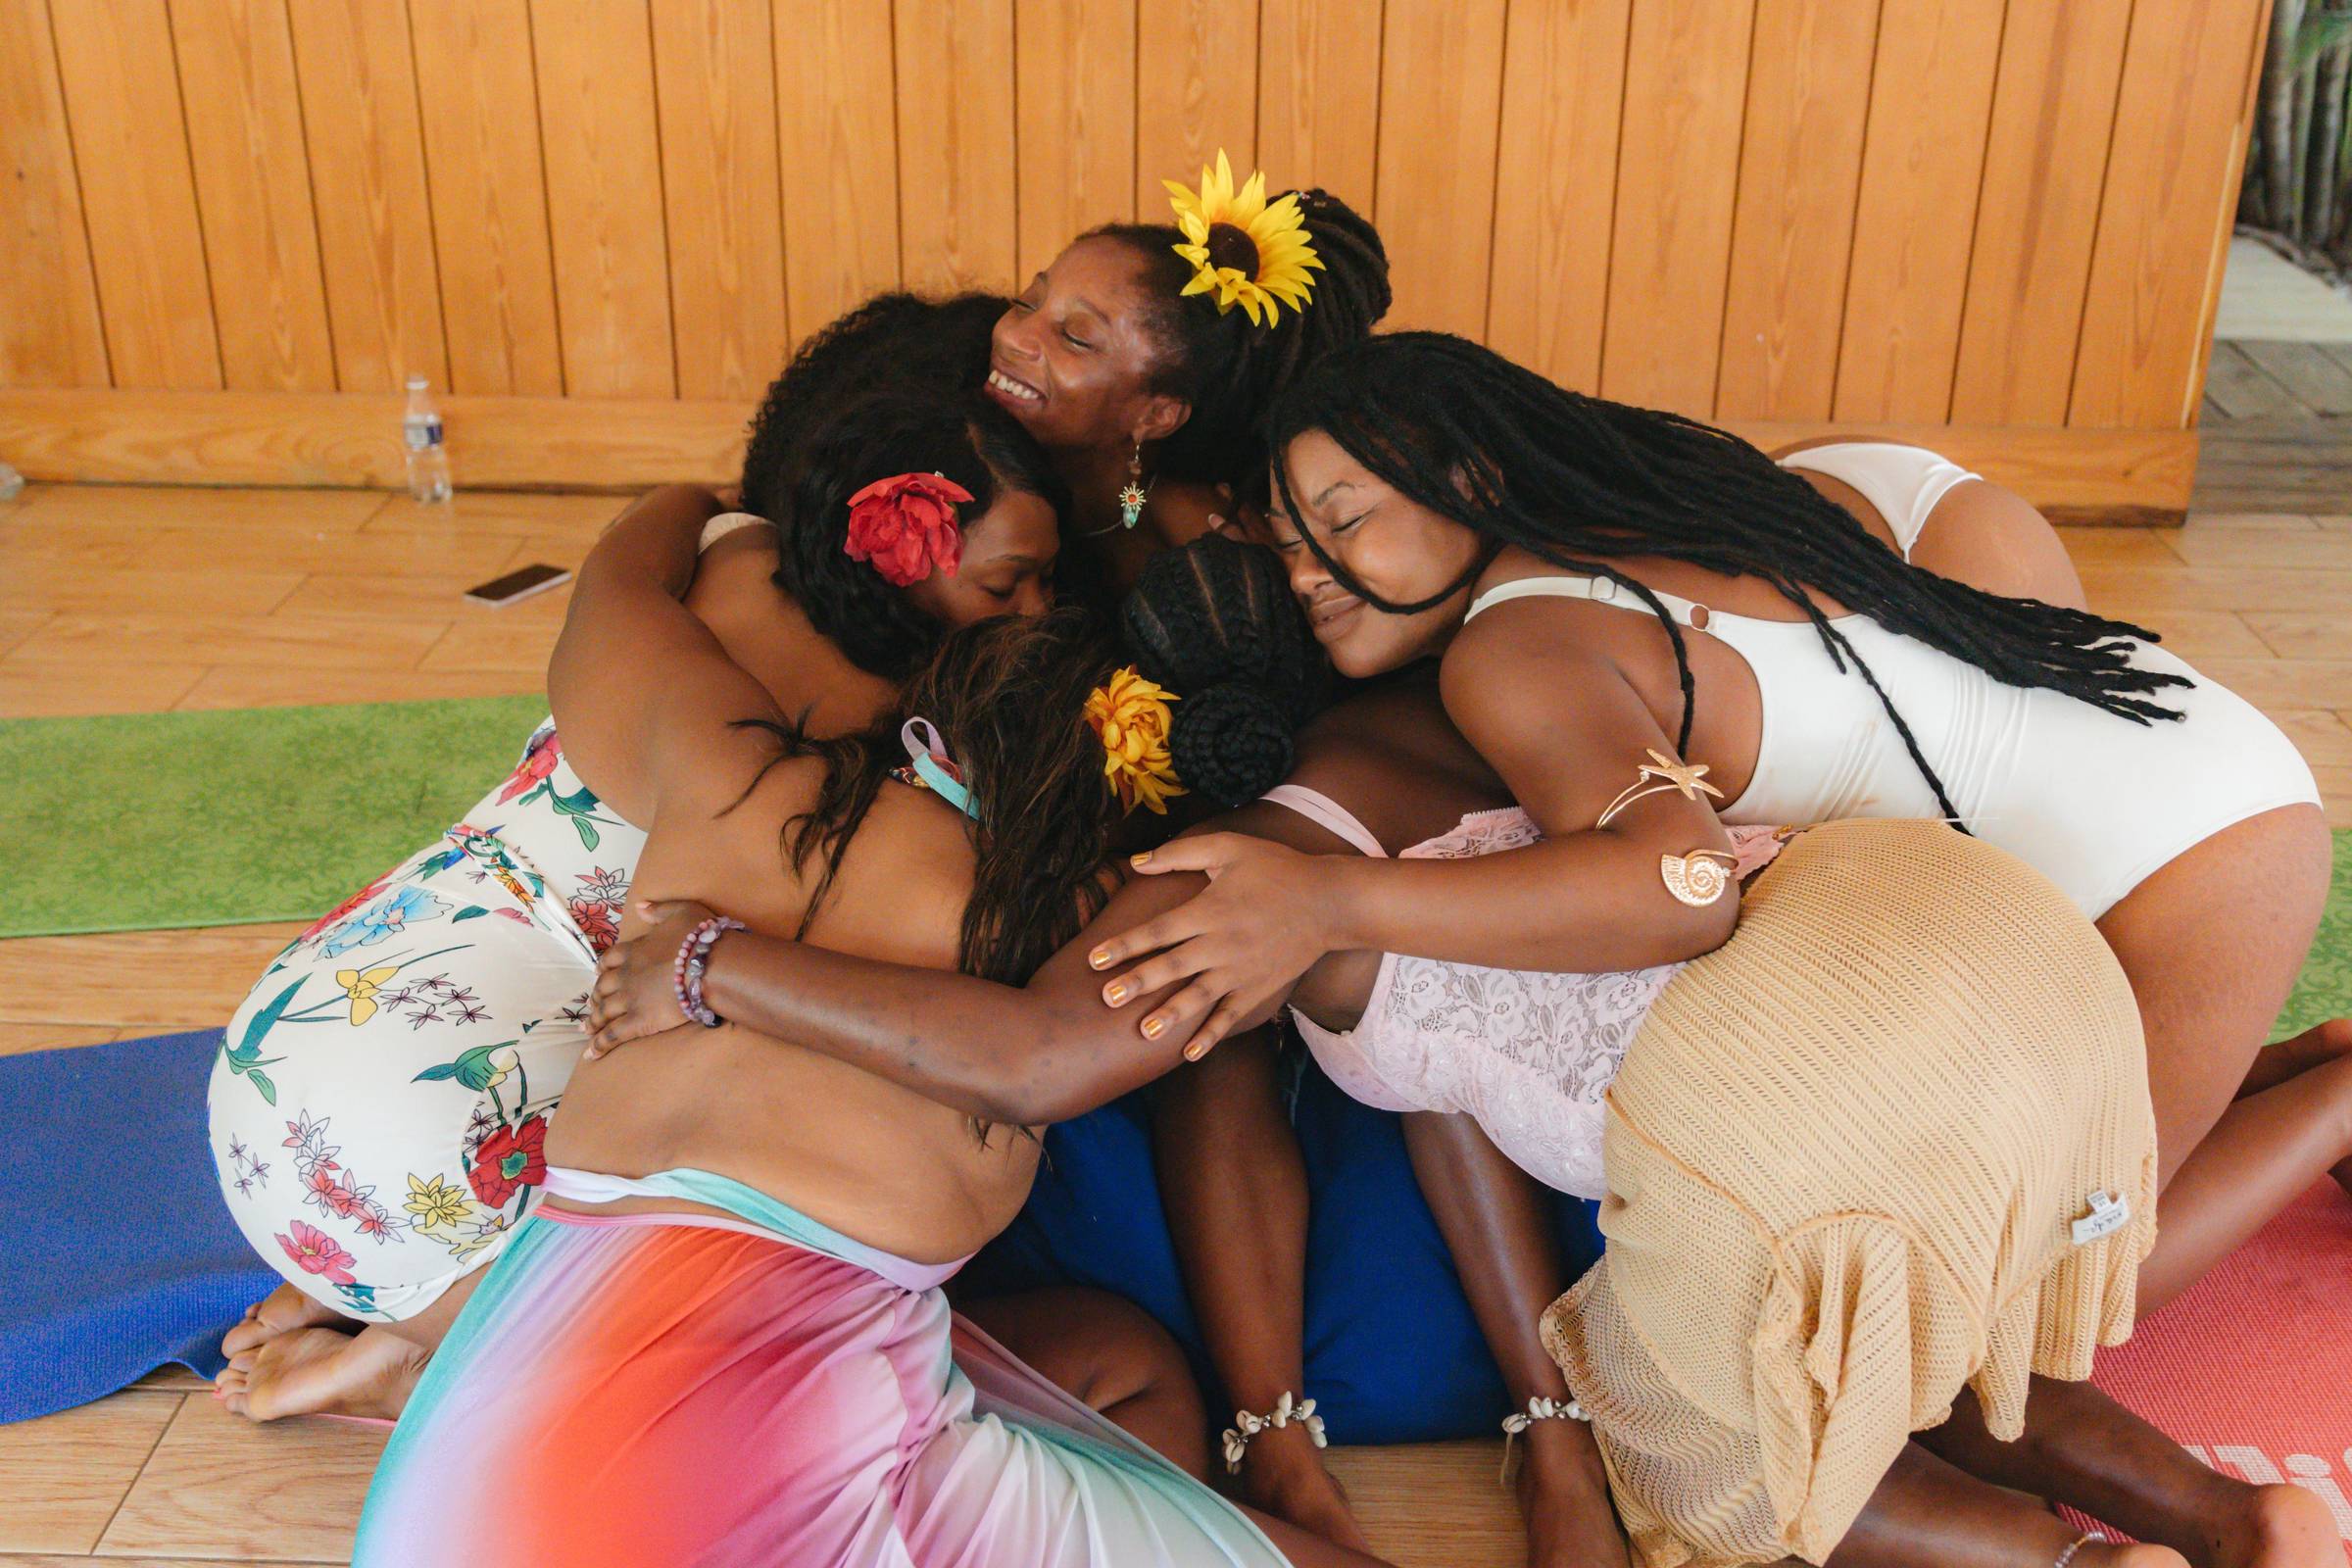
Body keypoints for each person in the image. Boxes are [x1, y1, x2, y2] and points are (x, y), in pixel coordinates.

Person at [581, 538, 2340, 1568]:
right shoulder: (1312, 867)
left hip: (1849, 1069)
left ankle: (2250, 1347)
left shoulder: (1268, 881)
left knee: (1870, 1424)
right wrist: (1539, 1418)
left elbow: (1042, 1057)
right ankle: (2206, 1472)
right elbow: (1447, 1090)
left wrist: (720, 967)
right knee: (1790, 1422)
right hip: (1771, 1076)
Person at [1079, 332, 2345, 1315]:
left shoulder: (1511, 647)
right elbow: (2012, 601)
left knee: (2060, 1300)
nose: (1306, 572)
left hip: (2199, 861)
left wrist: (1327, 899)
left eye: (1344, 522)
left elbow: (1683, 888)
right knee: (2044, 1137)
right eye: (1286, 542)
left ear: (1472, 480)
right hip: (2193, 736)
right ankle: (2263, 1062)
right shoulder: (1748, 490)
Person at [349, 528, 1393, 1565]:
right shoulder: (1084, 918)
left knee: (1120, 1363)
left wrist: (698, 503)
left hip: (451, 1502)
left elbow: (616, 586)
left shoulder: (728, 768)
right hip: (739, 1496)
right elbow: (1041, 1060)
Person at [210, 382, 1061, 1421]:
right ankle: (420, 1357)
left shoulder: (720, 560)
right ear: (906, 544)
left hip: (287, 1043)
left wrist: (699, 497)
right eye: (1011, 582)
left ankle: (384, 1297)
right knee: (801, 1197)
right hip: (441, 1138)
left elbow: (633, 542)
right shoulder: (899, 748)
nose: (1036, 610)